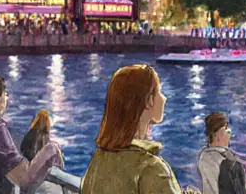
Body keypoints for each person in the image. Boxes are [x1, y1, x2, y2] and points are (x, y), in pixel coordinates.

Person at [81, 64, 199, 194]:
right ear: (148, 100)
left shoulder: (98, 160)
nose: (164, 98)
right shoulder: (151, 168)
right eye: (159, 91)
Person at [197, 112, 246, 194]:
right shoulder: (208, 158)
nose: (229, 134)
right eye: (226, 129)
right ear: (216, 135)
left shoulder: (231, 157)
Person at [20, 109, 58, 194]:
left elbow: (22, 148)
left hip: (27, 167)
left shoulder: (31, 132)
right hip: (38, 171)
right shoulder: (45, 136)